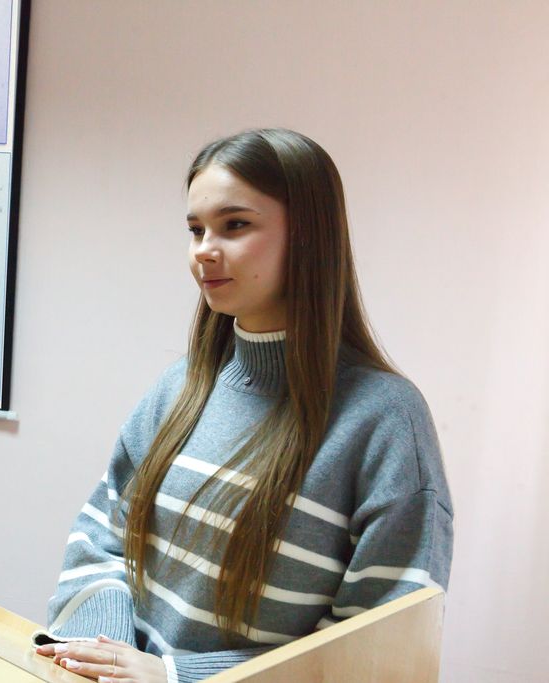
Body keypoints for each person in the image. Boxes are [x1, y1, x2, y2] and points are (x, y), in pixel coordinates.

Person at [35, 129, 453, 683]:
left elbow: (376, 654)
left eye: (234, 225)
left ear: (308, 236)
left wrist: (177, 676)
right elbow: (101, 540)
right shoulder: (180, 388)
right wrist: (104, 656)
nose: (204, 250)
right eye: (196, 229)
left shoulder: (386, 421)